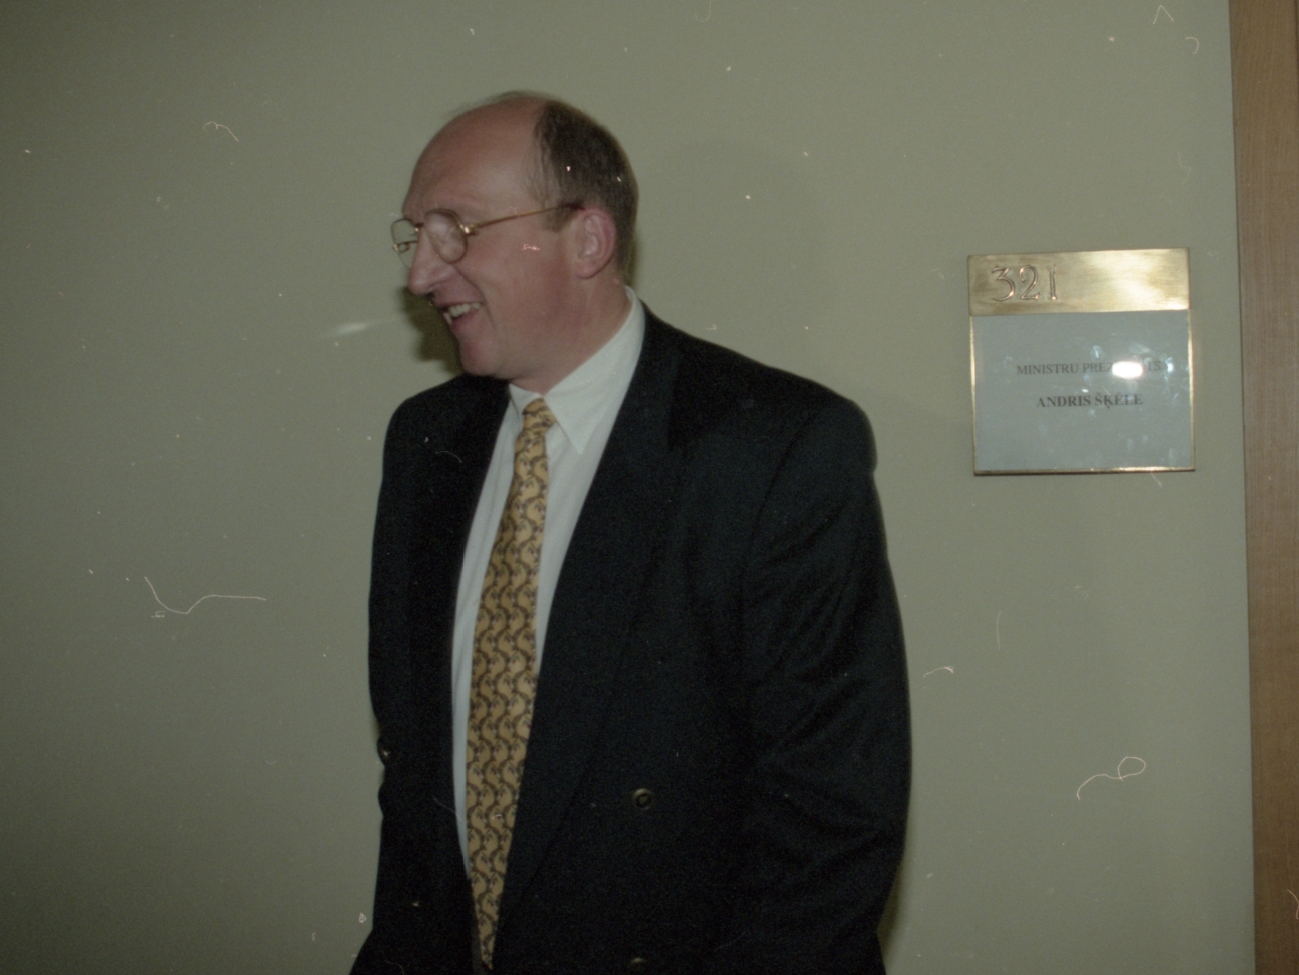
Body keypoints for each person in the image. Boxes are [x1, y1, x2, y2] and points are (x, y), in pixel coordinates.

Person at [353, 92, 910, 975]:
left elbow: (829, 823)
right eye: (416, 235)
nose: (422, 273)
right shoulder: (425, 443)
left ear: (587, 240)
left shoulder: (774, 447)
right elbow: (417, 793)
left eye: (457, 231)